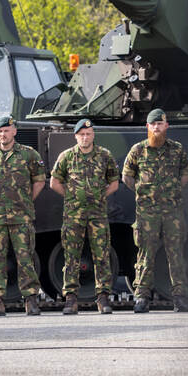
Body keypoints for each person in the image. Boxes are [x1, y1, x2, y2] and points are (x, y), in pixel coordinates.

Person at [122, 109, 188, 313]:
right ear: (148, 127)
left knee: (176, 254)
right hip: (147, 212)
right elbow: (127, 177)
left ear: (166, 126)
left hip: (172, 211)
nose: (156, 127)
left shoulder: (177, 149)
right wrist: (143, 193)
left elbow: (186, 174)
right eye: (153, 124)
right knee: (145, 254)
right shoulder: (138, 150)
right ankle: (142, 297)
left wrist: (172, 191)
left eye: (160, 124)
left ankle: (180, 297)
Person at [0, 116, 45, 317]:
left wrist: (26, 200)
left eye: (6, 130)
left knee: (25, 258)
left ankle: (31, 300)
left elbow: (39, 180)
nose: (3, 134)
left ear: (14, 131)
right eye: (0, 131)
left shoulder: (28, 154)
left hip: (21, 216)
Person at [49, 119, 119, 315]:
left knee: (101, 255)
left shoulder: (104, 155)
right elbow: (54, 183)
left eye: (88, 134)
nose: (85, 137)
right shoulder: (67, 156)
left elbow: (114, 183)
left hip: (98, 215)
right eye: (81, 134)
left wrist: (100, 197)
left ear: (93, 135)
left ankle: (103, 298)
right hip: (74, 216)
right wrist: (71, 197)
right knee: (71, 257)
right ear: (76, 136)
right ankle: (71, 299)